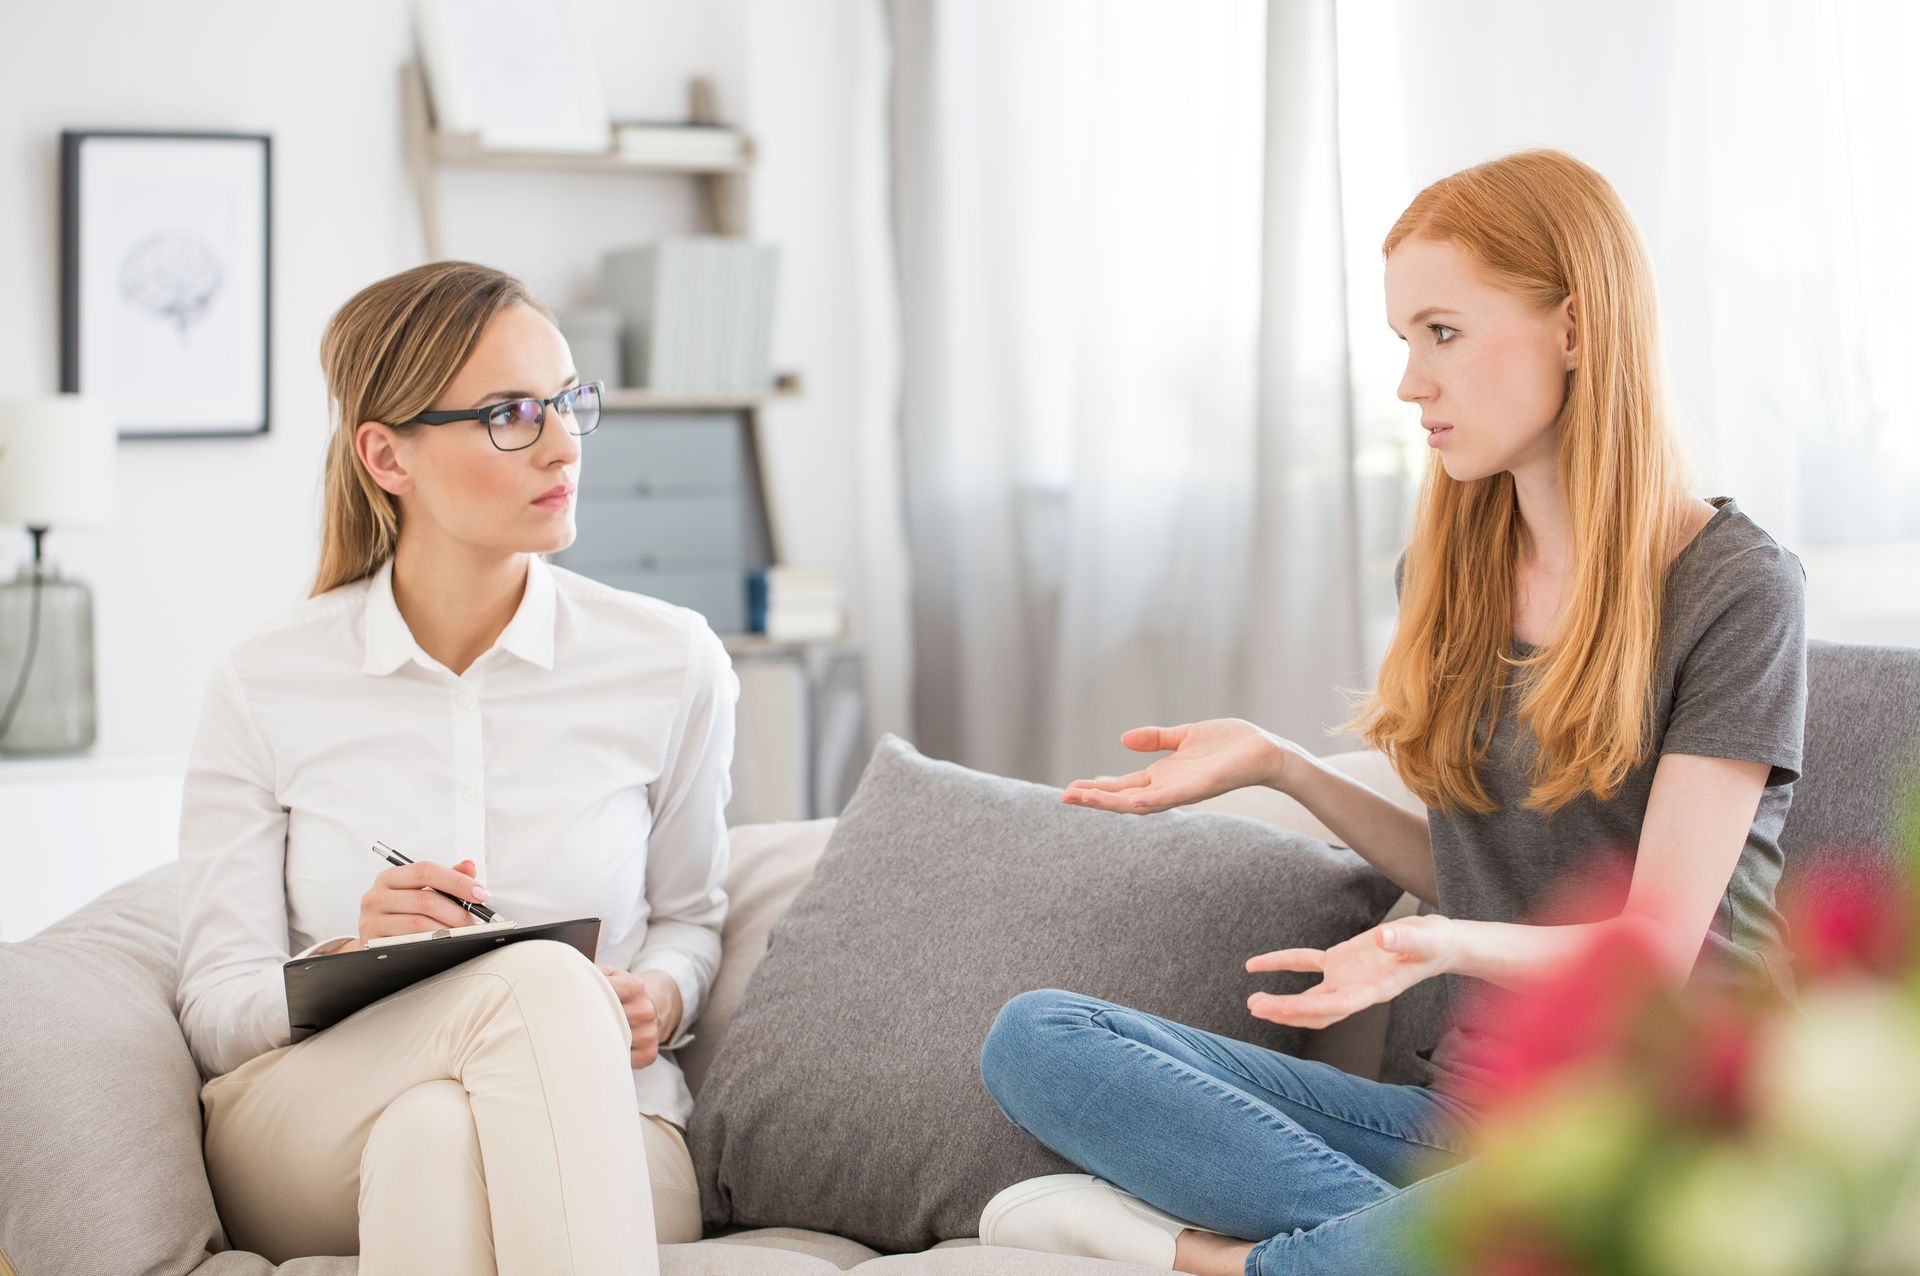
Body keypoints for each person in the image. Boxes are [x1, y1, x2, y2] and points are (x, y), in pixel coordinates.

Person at [974, 149, 1807, 1276]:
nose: (1413, 383)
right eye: (1404, 343)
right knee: (1040, 1039)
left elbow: (1652, 946)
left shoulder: (1736, 585)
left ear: (1573, 325)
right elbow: (1480, 862)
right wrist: (1285, 768)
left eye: (1443, 333)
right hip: (1479, 1121)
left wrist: (1428, 942)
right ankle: (1438, 1246)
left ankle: (1228, 1261)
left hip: (1658, 1122)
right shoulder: (1450, 567)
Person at [174, 261, 738, 1275]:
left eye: (569, 402)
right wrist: (344, 957)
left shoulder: (672, 660)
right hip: (311, 1121)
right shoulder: (266, 681)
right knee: (536, 985)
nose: (564, 443)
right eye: (512, 414)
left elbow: (694, 915)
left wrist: (664, 992)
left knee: (435, 1140)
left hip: (615, 1122)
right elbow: (215, 1005)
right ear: (387, 456)